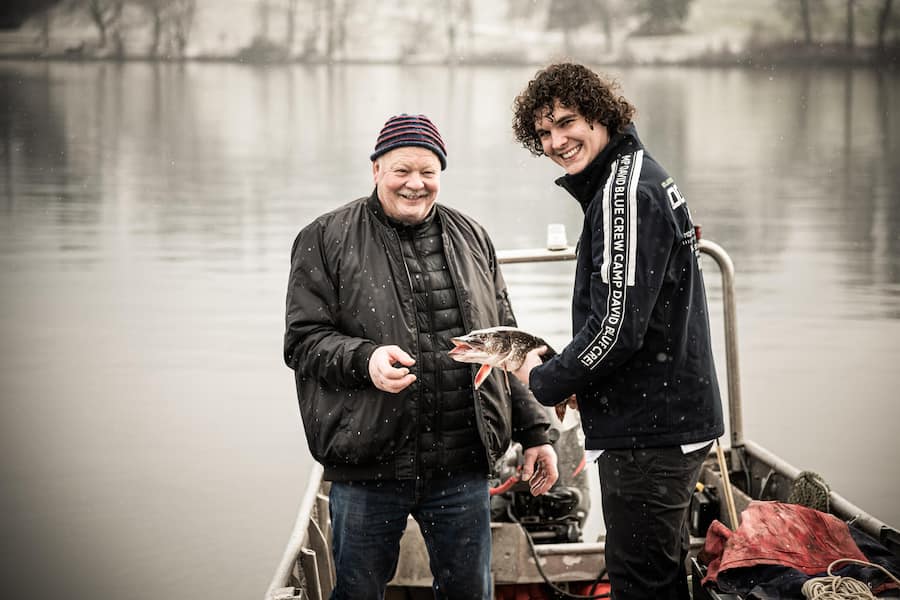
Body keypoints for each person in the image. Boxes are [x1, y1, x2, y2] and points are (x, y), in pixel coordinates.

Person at [284, 113, 559, 600]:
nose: (416, 183)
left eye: (428, 172)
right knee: (358, 593)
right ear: (376, 170)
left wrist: (537, 433)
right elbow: (303, 342)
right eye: (402, 170)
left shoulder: (472, 236)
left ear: (441, 174)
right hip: (368, 464)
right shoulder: (324, 238)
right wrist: (365, 360)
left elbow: (509, 346)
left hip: (462, 465)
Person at [510, 63, 725, 600]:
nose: (557, 141)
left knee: (641, 583)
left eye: (567, 122)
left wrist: (547, 379)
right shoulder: (633, 176)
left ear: (600, 115)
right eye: (544, 133)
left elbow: (619, 325)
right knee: (660, 574)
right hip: (665, 417)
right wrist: (582, 379)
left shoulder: (625, 193)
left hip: (650, 432)